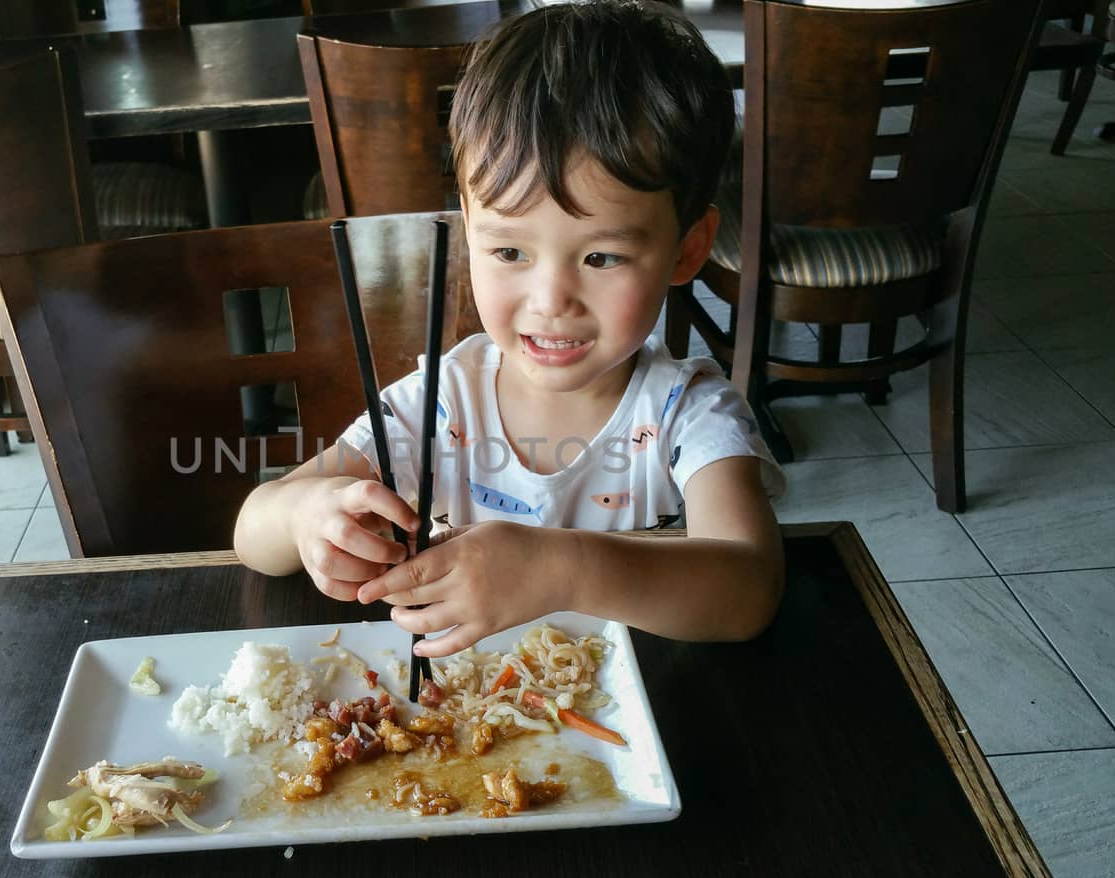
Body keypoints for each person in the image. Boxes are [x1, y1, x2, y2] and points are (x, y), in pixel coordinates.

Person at [234, 0, 785, 656]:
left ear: (688, 249)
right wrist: (307, 519)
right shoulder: (445, 400)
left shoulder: (688, 412)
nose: (552, 300)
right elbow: (254, 529)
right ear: (468, 233)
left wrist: (562, 569)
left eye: (601, 256)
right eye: (509, 251)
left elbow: (749, 587)